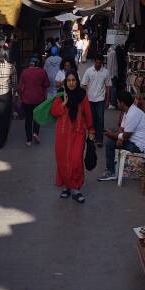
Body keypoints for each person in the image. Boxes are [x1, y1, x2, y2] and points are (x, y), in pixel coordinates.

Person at [50, 71, 95, 203]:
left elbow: (87, 113)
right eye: (68, 80)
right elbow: (54, 112)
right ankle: (66, 187)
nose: (71, 83)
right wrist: (63, 103)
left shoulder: (82, 96)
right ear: (66, 82)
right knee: (63, 160)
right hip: (62, 134)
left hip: (78, 132)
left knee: (76, 160)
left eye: (73, 80)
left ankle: (76, 188)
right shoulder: (60, 95)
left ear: (77, 81)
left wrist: (91, 130)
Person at [98, 91, 145, 181]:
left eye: (118, 102)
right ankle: (110, 169)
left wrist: (112, 135)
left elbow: (126, 135)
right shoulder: (127, 111)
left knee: (110, 143)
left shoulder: (132, 113)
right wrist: (119, 137)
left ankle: (110, 171)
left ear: (123, 103)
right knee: (113, 139)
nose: (117, 104)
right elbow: (122, 128)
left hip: (140, 146)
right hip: (134, 141)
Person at [18, 56, 50, 146]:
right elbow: (47, 84)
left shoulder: (24, 72)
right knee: (37, 117)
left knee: (28, 119)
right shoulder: (42, 72)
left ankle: (28, 140)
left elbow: (20, 87)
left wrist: (20, 97)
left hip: (27, 99)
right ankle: (35, 133)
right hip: (39, 99)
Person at [81, 53, 111, 147]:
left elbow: (108, 87)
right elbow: (84, 85)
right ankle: (92, 136)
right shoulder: (89, 71)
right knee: (92, 119)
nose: (98, 64)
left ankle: (99, 139)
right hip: (90, 99)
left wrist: (107, 100)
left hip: (100, 99)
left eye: (100, 63)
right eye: (97, 62)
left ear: (102, 63)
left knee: (100, 119)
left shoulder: (105, 72)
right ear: (94, 62)